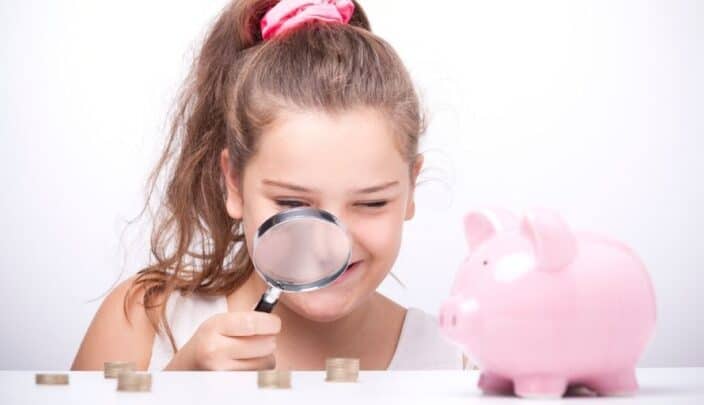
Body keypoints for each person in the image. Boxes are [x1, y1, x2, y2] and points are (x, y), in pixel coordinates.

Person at [72, 0, 474, 371]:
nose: (328, 245)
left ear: (411, 189)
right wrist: (178, 386)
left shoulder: (452, 360)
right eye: (291, 202)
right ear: (233, 183)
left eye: (371, 203)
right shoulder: (145, 322)